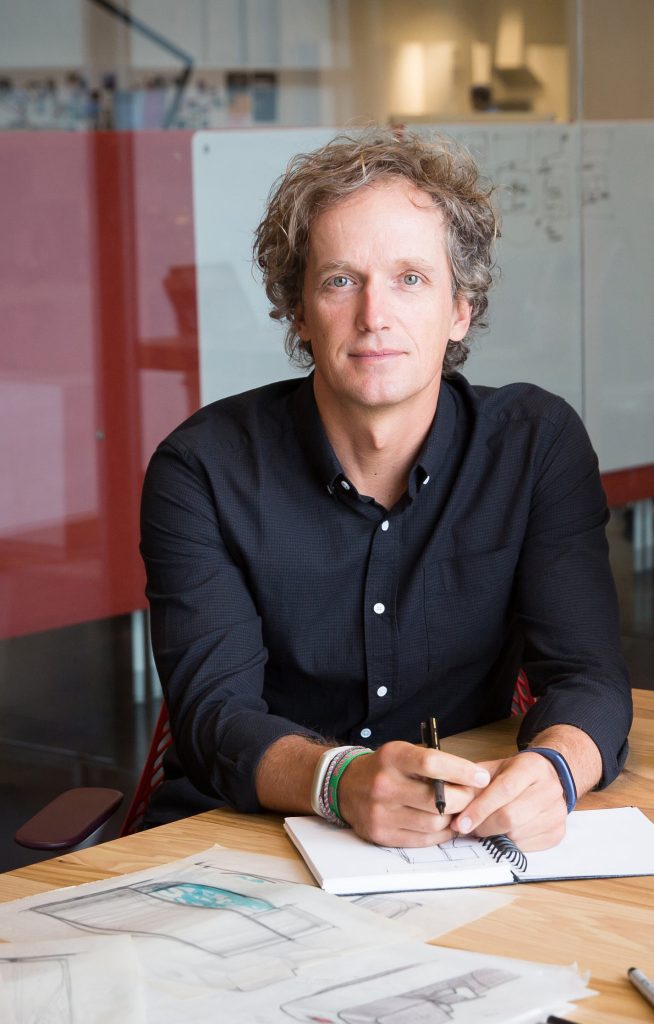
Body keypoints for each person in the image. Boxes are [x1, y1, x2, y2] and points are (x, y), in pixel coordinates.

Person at [140, 127, 632, 851]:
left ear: (459, 309)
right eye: (341, 280)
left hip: (453, 836)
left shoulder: (534, 446)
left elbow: (587, 675)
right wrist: (338, 780)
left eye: (411, 278)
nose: (375, 316)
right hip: (238, 834)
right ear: (300, 313)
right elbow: (216, 714)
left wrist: (554, 769)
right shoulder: (203, 470)